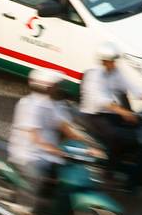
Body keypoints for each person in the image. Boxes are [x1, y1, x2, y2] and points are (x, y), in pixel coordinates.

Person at [9, 68, 97, 206]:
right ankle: (29, 210)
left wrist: (90, 146)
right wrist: (59, 151)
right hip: (29, 155)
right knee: (40, 182)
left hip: (49, 152)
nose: (59, 88)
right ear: (49, 87)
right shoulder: (29, 106)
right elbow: (35, 139)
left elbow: (65, 127)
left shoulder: (52, 104)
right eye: (57, 85)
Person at [79, 41, 139, 164]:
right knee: (114, 136)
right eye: (112, 61)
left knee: (136, 126)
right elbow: (101, 99)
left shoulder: (115, 72)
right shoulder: (94, 76)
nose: (114, 64)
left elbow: (129, 86)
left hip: (110, 112)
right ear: (103, 61)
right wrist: (123, 112)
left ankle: (130, 156)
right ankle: (112, 168)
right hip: (94, 115)